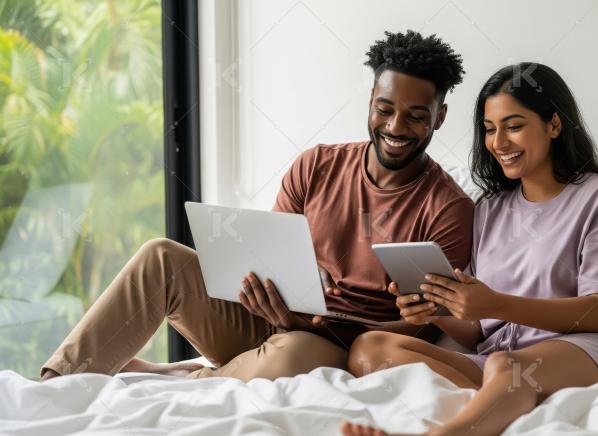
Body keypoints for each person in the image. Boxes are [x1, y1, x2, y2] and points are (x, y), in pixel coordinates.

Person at [40, 30, 474, 382]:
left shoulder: (447, 209)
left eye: (417, 116)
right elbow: (269, 255)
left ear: (440, 116)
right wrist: (263, 290)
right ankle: (58, 381)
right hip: (272, 321)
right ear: (370, 101)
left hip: (337, 344)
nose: (396, 127)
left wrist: (313, 325)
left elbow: (425, 326)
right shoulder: (317, 165)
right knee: (161, 257)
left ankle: (193, 377)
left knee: (292, 353)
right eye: (385, 109)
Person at [341, 63, 598, 436]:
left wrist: (494, 304)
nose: (498, 142)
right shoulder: (490, 209)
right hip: (497, 360)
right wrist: (438, 308)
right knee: (370, 347)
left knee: (509, 368)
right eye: (489, 129)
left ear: (554, 124)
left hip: (590, 350)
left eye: (514, 126)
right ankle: (499, 407)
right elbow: (478, 331)